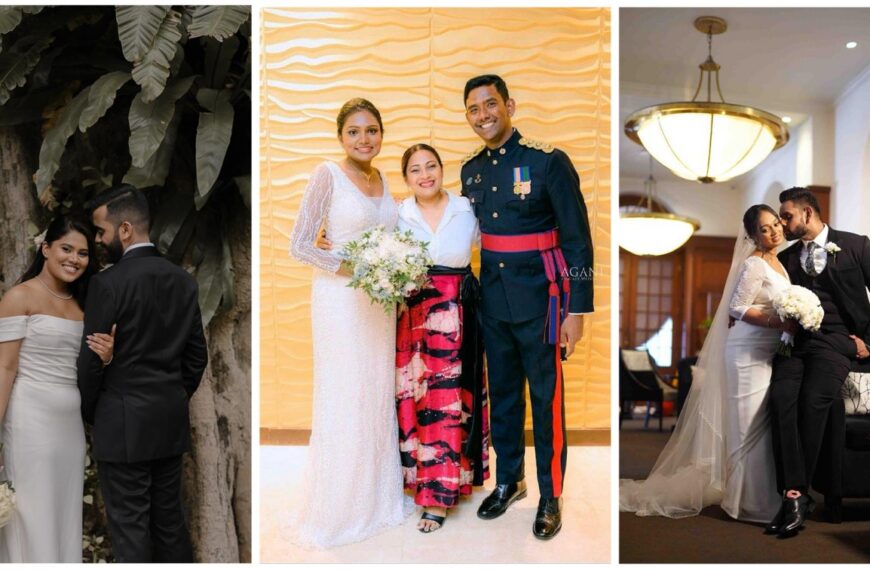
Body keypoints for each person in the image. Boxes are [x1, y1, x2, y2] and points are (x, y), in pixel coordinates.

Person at [459, 74, 593, 539]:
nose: (483, 115)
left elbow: (578, 241)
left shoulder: (548, 161)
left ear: (509, 105)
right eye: (473, 109)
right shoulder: (470, 170)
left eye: (490, 105)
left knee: (546, 400)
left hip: (544, 301)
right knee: (505, 398)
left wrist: (577, 311)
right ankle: (509, 480)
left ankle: (550, 495)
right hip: (492, 302)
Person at [288, 98, 411, 548]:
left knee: (374, 392)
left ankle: (377, 499)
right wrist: (358, 268)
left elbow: (391, 237)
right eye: (355, 131)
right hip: (340, 301)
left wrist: (392, 272)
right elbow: (301, 244)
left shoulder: (382, 179)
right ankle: (339, 508)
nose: (365, 139)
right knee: (345, 393)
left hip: (378, 304)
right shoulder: (328, 174)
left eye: (372, 130)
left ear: (382, 134)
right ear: (341, 136)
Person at [619, 204, 791, 522]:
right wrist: (777, 323)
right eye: (765, 228)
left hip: (767, 352)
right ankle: (746, 504)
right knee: (746, 428)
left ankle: (751, 497)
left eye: (776, 224)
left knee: (759, 426)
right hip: (745, 353)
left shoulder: (779, 264)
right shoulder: (754, 264)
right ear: (753, 236)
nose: (774, 231)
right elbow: (738, 307)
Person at [77, 185, 208, 562]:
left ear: (125, 229)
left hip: (120, 423)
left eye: (101, 231)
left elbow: (90, 363)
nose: (99, 240)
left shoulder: (108, 283)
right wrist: (170, 395)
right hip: (168, 420)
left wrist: (94, 412)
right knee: (169, 524)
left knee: (131, 529)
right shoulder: (184, 281)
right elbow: (196, 358)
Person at [0, 215, 111, 562]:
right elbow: (5, 367)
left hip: (70, 425)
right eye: (66, 248)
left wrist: (107, 358)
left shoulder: (85, 304)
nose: (74, 259)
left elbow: (88, 368)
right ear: (46, 249)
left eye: (82, 253)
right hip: (29, 418)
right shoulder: (20, 297)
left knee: (63, 514)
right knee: (32, 516)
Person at [766, 187, 870, 538]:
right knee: (781, 400)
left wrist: (869, 342)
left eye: (787, 215)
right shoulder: (790, 257)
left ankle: (795, 494)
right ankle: (795, 494)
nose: (782, 222)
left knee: (814, 401)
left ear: (808, 214)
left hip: (839, 344)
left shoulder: (856, 245)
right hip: (797, 345)